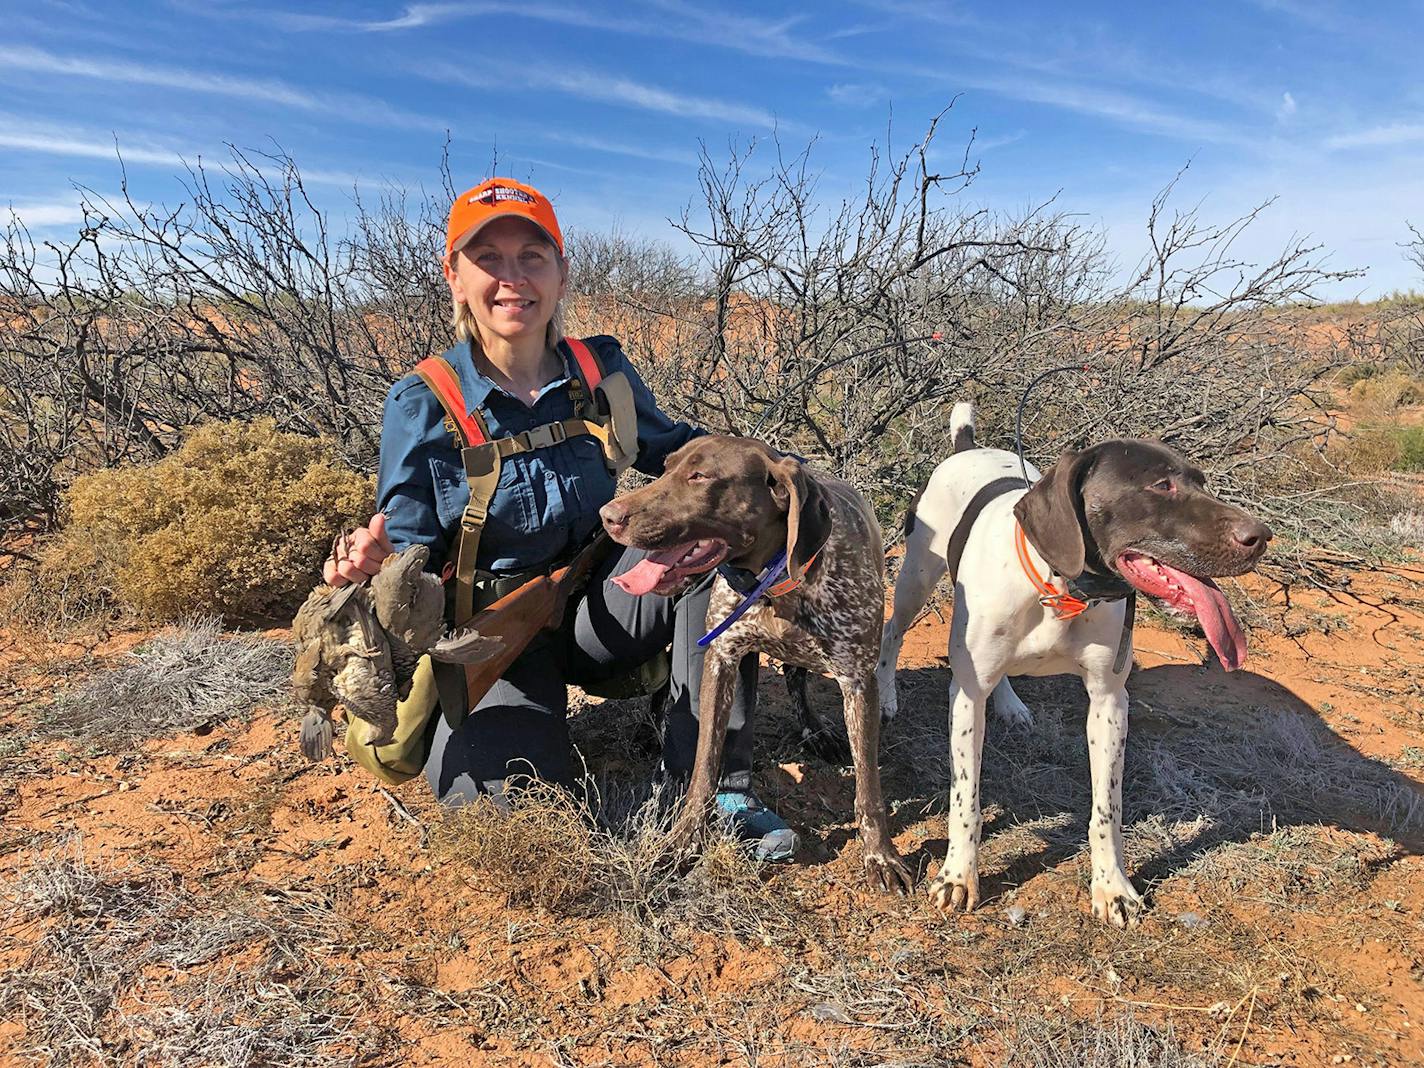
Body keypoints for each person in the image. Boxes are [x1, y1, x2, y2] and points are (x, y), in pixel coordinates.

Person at [324, 177, 796, 861]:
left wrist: (788, 474)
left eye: (532, 257)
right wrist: (374, 565)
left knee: (707, 546)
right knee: (508, 814)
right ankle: (528, 736)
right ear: (454, 276)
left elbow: (681, 452)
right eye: (488, 259)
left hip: (598, 603)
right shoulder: (423, 401)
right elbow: (410, 546)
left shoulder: (599, 369)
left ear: (562, 272)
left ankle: (716, 786)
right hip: (492, 635)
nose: (512, 279)